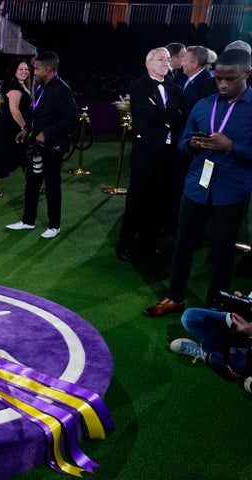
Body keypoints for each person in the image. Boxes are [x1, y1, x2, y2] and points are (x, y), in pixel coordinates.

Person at [143, 48, 252, 317]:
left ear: (247, 73)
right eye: (219, 79)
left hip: (233, 191)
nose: (223, 84)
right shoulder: (204, 105)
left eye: (231, 79)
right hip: (196, 187)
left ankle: (213, 310)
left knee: (223, 254)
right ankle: (175, 297)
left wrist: (232, 146)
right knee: (183, 245)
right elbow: (181, 144)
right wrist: (191, 143)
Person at [116, 47, 185, 262]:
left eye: (168, 59)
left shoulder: (176, 89)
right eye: (161, 59)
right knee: (136, 201)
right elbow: (148, 115)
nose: (166, 63)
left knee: (159, 202)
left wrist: (163, 115)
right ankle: (126, 244)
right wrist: (169, 115)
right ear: (148, 63)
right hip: (145, 154)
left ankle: (148, 245)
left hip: (167, 154)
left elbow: (181, 116)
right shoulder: (139, 87)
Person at [5, 51, 78, 239]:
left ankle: (55, 225)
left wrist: (47, 133)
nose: (33, 71)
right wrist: (27, 129)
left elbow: (72, 119)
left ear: (48, 68)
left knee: (52, 185)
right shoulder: (40, 86)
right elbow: (37, 114)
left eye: (36, 68)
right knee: (32, 183)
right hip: (36, 146)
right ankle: (28, 221)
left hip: (53, 147)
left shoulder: (61, 89)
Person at [170, 291, 252, 380]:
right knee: (190, 317)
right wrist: (242, 302)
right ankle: (234, 357)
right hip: (237, 328)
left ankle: (207, 355)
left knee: (247, 365)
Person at [0, 58, 32, 198]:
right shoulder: (14, 87)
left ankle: (32, 185)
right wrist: (25, 127)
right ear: (14, 71)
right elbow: (14, 110)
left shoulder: (21, 85)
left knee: (25, 157)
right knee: (4, 157)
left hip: (16, 128)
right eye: (21, 69)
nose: (24, 71)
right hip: (11, 129)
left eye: (26, 69)